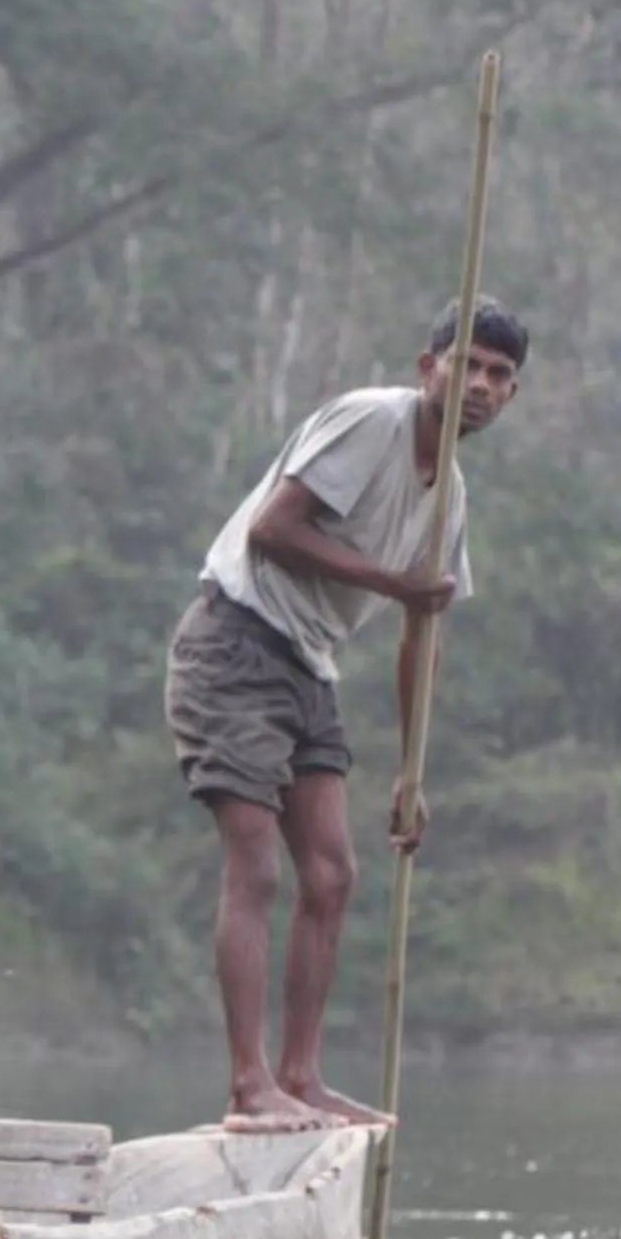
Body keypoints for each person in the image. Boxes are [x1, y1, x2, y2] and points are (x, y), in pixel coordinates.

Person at [164, 297, 527, 1134]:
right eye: (465, 364)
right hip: (234, 640)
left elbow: (420, 633)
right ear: (427, 365)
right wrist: (393, 583)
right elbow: (272, 531)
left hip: (307, 665)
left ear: (512, 395)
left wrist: (411, 771)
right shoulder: (373, 421)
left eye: (499, 376)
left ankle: (301, 1074)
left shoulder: (450, 501)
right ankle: (248, 1084)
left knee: (332, 875)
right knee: (255, 865)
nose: (478, 384)